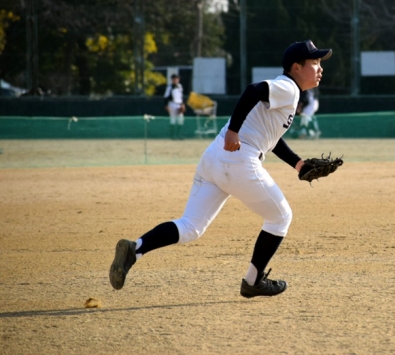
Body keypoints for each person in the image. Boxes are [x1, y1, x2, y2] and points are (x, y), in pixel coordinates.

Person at [109, 40, 333, 298]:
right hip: (238, 159)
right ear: (296, 68)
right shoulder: (289, 88)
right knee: (281, 217)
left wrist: (298, 163)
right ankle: (253, 281)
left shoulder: (285, 92)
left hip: (214, 157)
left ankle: (135, 248)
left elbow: (270, 137)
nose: (320, 68)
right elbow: (253, 90)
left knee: (191, 226)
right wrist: (233, 131)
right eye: (315, 62)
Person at [164, 74, 185, 140]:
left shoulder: (180, 86)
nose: (175, 80)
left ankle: (179, 135)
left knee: (180, 120)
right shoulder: (170, 87)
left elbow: (181, 96)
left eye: (176, 79)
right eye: (174, 79)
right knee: (173, 120)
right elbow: (166, 97)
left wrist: (183, 104)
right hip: (172, 104)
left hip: (179, 104)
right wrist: (166, 105)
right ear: (172, 80)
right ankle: (172, 135)